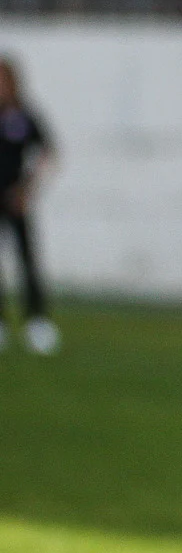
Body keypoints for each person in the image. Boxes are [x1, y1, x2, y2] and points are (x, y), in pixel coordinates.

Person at [0, 57, 57, 356]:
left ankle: (36, 321)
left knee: (26, 260)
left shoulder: (23, 116)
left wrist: (27, 189)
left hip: (15, 199)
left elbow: (48, 150)